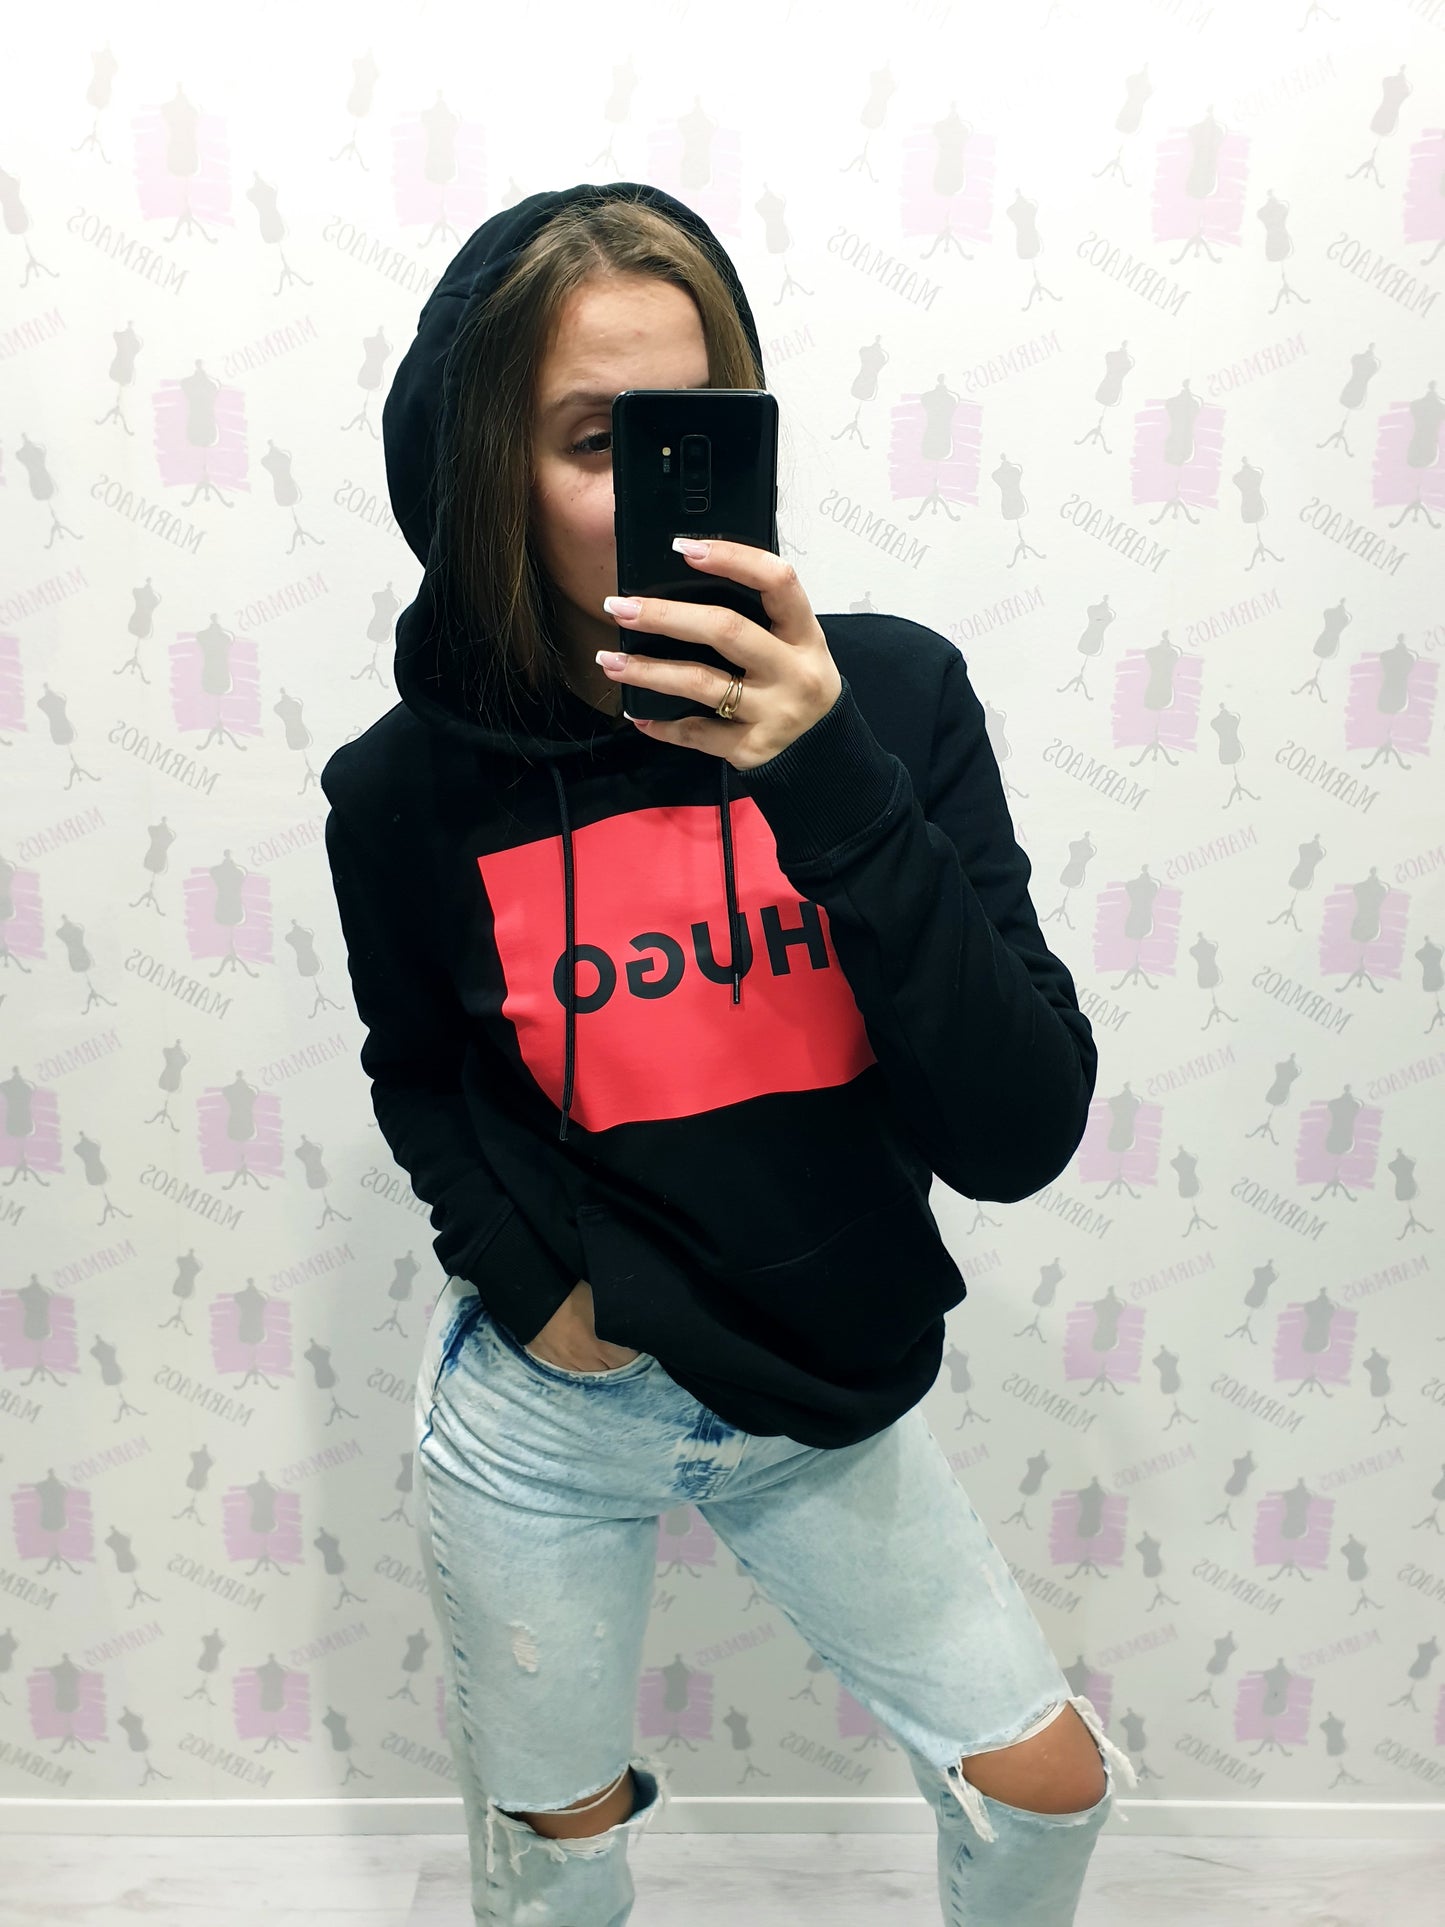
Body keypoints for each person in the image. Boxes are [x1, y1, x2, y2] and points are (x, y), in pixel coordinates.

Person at [321, 180, 1137, 1926]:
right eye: (593, 440)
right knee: (560, 1868)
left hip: (822, 1395)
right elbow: (417, 1071)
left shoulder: (891, 703)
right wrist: (534, 1287)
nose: (654, 494)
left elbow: (1020, 1131)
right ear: (481, 473)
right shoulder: (401, 791)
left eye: (697, 432)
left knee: (1042, 1795)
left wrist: (824, 775)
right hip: (550, 1418)